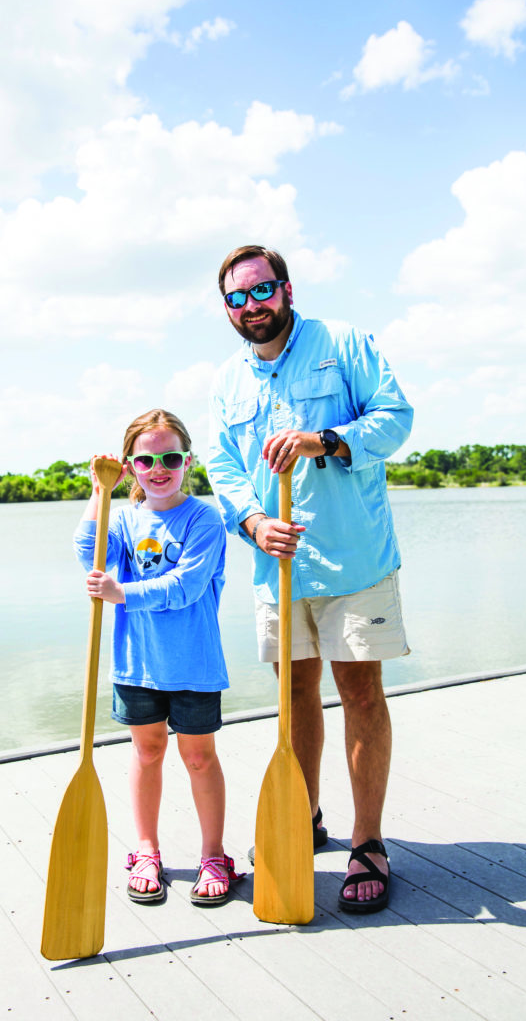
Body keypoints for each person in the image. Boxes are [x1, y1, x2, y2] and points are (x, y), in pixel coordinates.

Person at [207, 245, 413, 913]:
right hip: (277, 567)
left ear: (285, 289)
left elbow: (395, 419)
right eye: (236, 298)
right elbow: (223, 468)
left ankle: (367, 843)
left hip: (355, 559)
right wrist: (250, 522)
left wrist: (323, 439)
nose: (250, 306)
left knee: (359, 693)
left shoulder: (344, 343)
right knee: (294, 695)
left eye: (260, 291)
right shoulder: (226, 381)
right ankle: (304, 817)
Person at [73, 409, 244, 907]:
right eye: (146, 459)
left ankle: (214, 854)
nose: (159, 467)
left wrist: (120, 593)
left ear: (187, 460)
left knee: (198, 757)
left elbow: (187, 587)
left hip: (193, 664)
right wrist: (100, 491)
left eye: (170, 457)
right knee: (147, 752)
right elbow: (90, 555)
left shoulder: (204, 518)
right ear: (132, 466)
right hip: (137, 663)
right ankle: (146, 849)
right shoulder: (122, 516)